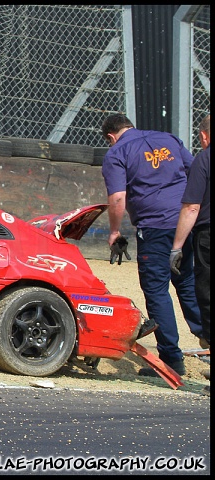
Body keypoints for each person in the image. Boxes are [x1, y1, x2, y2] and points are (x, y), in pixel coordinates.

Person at [100, 113, 203, 377]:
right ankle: (207, 338)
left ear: (111, 137)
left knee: (157, 290)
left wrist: (114, 232)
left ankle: (171, 360)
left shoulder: (117, 153)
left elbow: (118, 197)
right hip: (185, 223)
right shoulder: (168, 139)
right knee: (187, 282)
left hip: (155, 227)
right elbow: (196, 174)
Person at [170, 114, 210, 390]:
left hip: (207, 236)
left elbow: (191, 207)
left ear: (204, 136)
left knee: (207, 297)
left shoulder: (204, 159)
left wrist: (177, 246)